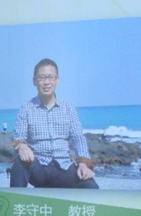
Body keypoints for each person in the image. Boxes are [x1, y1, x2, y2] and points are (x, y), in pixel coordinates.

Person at [10, 58, 98, 188]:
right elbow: (17, 137)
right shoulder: (26, 109)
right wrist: (22, 146)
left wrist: (83, 164)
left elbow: (78, 137)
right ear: (34, 81)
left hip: (64, 167)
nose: (46, 82)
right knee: (19, 162)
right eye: (42, 78)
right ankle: (15, 199)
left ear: (57, 80)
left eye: (51, 77)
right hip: (39, 168)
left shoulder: (68, 108)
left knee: (89, 184)